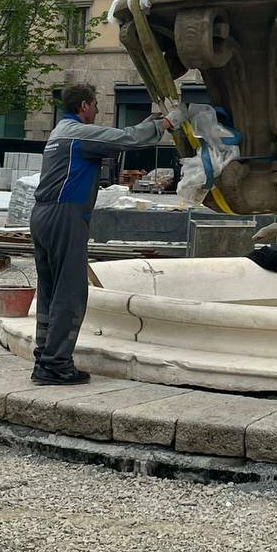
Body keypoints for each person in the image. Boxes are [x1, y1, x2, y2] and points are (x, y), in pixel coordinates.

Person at [29, 83, 185, 385]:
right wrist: (164, 124)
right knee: (70, 291)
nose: (98, 110)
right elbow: (126, 140)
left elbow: (118, 135)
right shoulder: (79, 133)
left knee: (49, 288)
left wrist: (148, 122)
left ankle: (44, 356)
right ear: (84, 106)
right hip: (65, 215)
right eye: (96, 105)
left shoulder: (60, 132)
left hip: (43, 215)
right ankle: (56, 364)